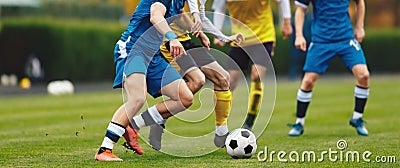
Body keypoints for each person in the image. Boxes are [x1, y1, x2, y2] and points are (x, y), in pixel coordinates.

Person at [124, 0, 245, 150]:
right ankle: (150, 120)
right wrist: (199, 24)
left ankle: (221, 134)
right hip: (169, 42)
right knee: (196, 82)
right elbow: (188, 13)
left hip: (185, 39)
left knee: (222, 78)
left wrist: (216, 36)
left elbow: (186, 14)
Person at [94, 0, 203, 161]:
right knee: (138, 98)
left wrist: (198, 29)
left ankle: (133, 125)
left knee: (185, 98)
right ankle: (104, 149)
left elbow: (177, 15)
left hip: (153, 56)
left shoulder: (178, 1)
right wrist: (172, 37)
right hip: (134, 49)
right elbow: (155, 16)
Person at [288, 0, 370, 136]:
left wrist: (360, 27)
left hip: (346, 39)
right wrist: (299, 35)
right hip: (321, 41)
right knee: (308, 81)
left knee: (364, 75)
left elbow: (360, 2)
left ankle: (357, 118)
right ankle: (299, 123)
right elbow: (300, 10)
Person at [212, 0, 292, 130]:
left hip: (263, 36)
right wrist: (218, 32)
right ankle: (222, 123)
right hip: (239, 38)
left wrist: (286, 23)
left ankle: (250, 120)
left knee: (257, 76)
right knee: (229, 81)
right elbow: (219, 9)